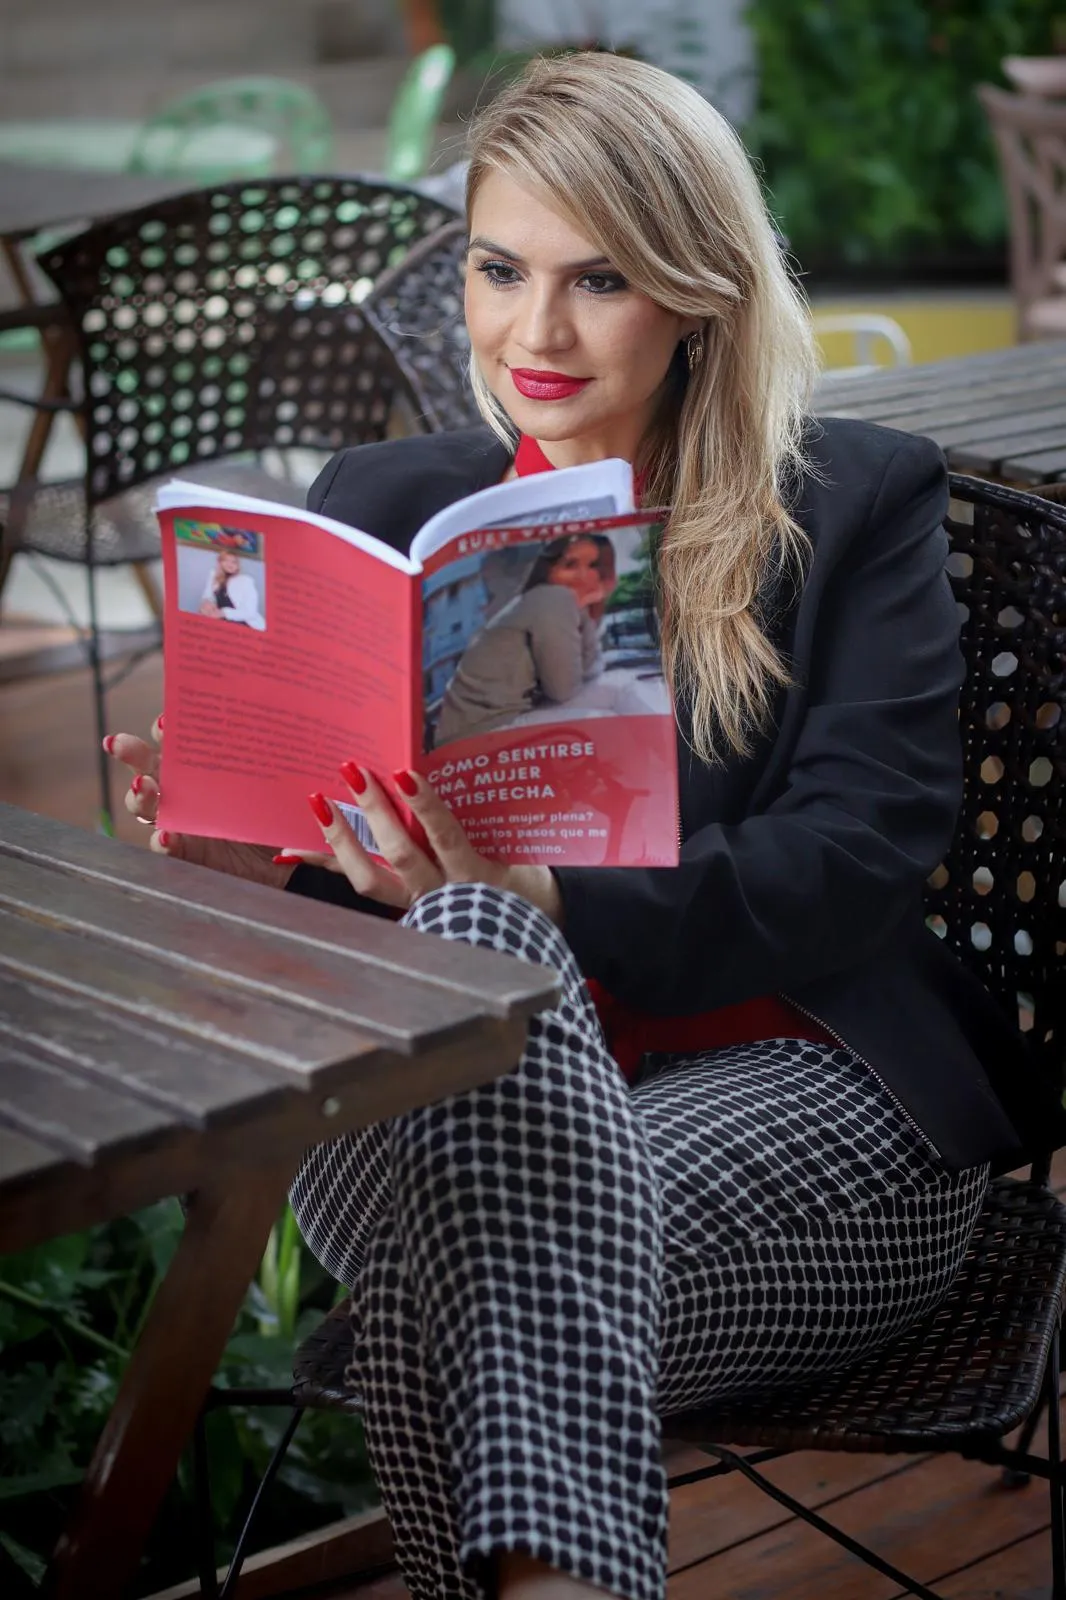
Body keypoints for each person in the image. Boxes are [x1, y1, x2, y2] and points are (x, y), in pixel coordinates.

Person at [106, 51, 1045, 1600]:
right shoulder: (389, 498)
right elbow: (332, 919)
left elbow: (860, 856)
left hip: (814, 1095)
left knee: (444, 1290)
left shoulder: (852, 501)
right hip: (448, 1114)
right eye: (498, 269)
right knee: (465, 981)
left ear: (696, 291)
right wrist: (248, 863)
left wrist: (546, 896)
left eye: (597, 279)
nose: (531, 332)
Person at [433, 530, 614, 746]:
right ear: (548, 570)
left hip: (476, 730)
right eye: (570, 565)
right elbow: (563, 690)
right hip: (480, 733)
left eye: (592, 566)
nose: (583, 576)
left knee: (616, 695)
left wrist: (582, 612)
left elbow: (590, 670)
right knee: (611, 716)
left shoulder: (551, 601)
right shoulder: (551, 598)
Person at [197, 548, 264, 630]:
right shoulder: (214, 575)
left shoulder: (245, 581)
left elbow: (250, 612)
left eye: (234, 562)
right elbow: (208, 595)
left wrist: (224, 613)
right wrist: (207, 603)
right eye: (226, 560)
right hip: (219, 619)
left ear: (237, 566)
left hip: (243, 623)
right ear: (220, 562)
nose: (230, 564)